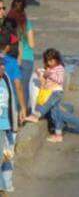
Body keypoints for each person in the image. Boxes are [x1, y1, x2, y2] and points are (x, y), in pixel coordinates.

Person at [5, 0, 33, 114]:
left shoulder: (7, 23)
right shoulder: (26, 23)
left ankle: (15, 115)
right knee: (24, 88)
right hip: (27, 59)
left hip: (11, 58)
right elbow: (32, 44)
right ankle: (24, 114)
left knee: (13, 88)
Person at [24, 48, 64, 124]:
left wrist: (50, 74)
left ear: (57, 59)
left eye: (51, 61)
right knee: (55, 113)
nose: (49, 63)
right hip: (49, 91)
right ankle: (58, 133)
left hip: (56, 91)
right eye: (48, 61)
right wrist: (40, 73)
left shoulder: (60, 68)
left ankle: (36, 116)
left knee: (45, 104)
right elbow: (44, 80)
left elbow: (60, 80)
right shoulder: (50, 68)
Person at [0, 56, 18, 195]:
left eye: (2, 64)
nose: (2, 67)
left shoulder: (5, 78)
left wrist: (14, 125)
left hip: (5, 126)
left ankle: (5, 185)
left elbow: (12, 101)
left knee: (6, 156)